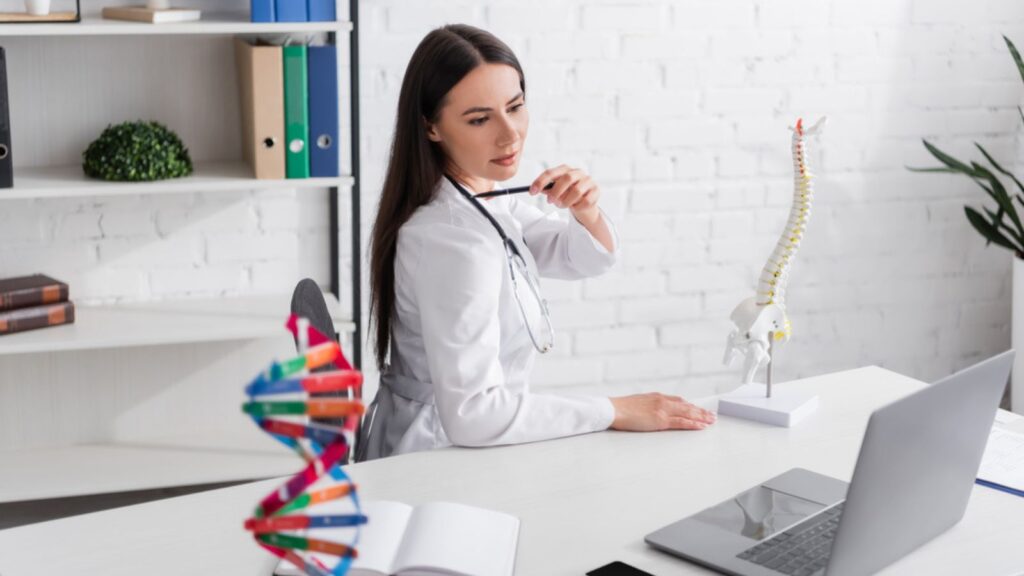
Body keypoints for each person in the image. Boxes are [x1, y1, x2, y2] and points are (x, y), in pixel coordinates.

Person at [356, 23, 715, 462]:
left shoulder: (478, 197)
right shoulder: (452, 240)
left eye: (516, 107)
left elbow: (582, 258)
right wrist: (614, 410)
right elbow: (474, 415)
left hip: (458, 446)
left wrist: (584, 210)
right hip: (435, 458)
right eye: (479, 119)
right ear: (431, 127)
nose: (510, 134)